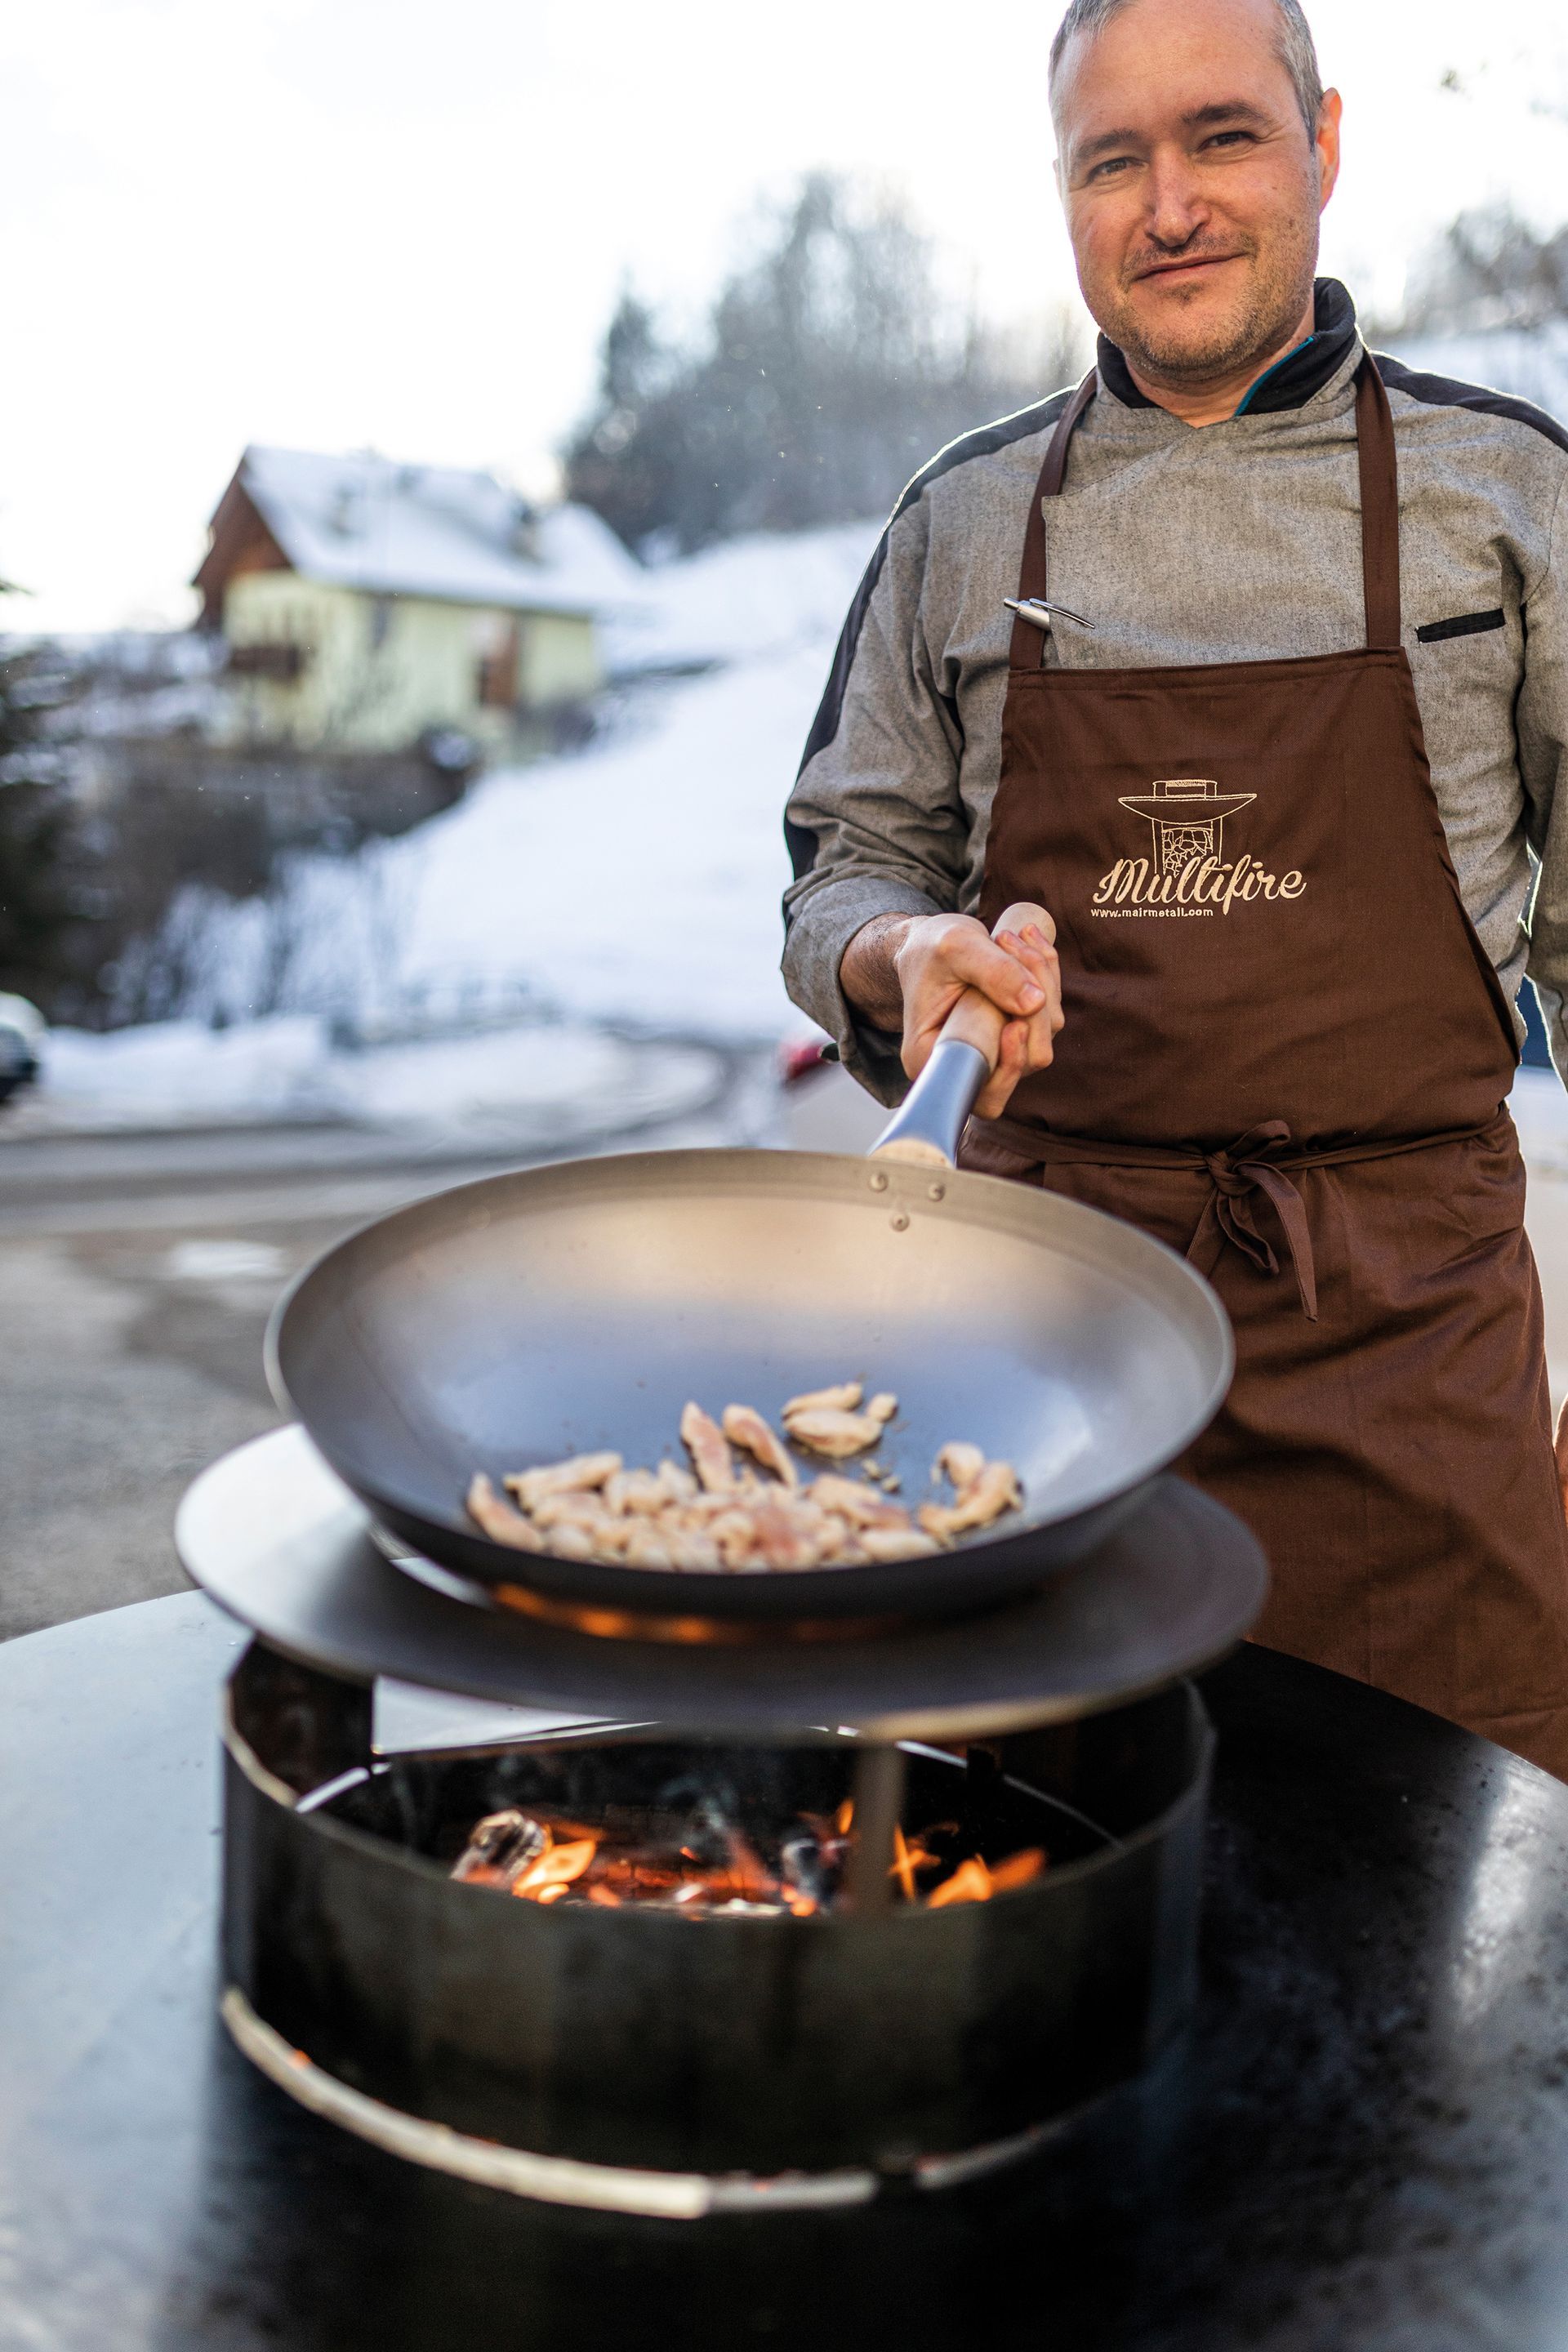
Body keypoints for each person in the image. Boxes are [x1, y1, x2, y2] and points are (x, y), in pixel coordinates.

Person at [782, 0, 1568, 1776]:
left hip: (1412, 1349)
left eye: (1220, 135)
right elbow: (846, 869)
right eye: (1110, 159)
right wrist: (903, 952)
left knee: (1448, 1924)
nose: (1170, 203)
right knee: (1027, 1893)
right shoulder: (961, 522)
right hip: (1037, 1353)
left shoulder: (1504, 494)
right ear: (1063, 193)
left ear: (1325, 141)